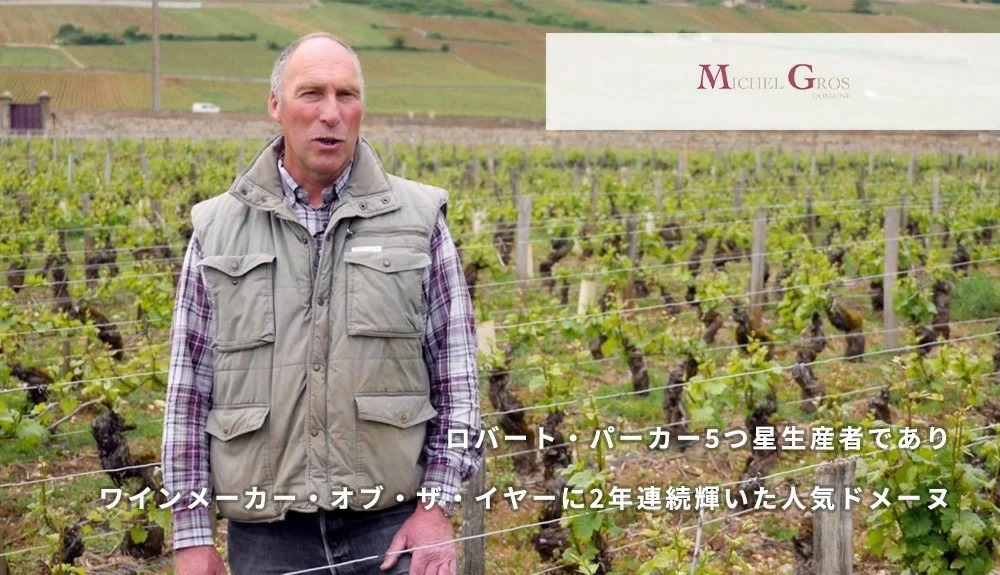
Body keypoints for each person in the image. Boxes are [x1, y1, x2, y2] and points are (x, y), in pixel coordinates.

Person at [161, 32, 482, 575]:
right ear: (276, 105)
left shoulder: (419, 220)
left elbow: (458, 380)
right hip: (267, 538)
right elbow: (188, 394)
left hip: (393, 528)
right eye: (311, 93)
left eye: (346, 95)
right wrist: (191, 535)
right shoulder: (217, 229)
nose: (330, 113)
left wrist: (436, 508)